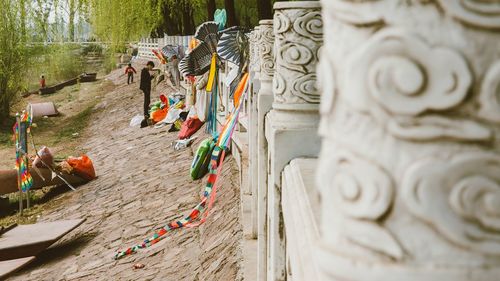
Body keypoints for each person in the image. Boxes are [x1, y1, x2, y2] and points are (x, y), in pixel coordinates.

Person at [139, 61, 155, 127]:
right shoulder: (144, 71)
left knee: (148, 100)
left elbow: (147, 79)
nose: (151, 68)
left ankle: (146, 112)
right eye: (151, 67)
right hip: (145, 88)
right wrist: (151, 77)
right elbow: (145, 80)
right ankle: (146, 114)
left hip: (146, 88)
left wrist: (152, 77)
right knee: (147, 100)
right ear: (149, 65)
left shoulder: (146, 71)